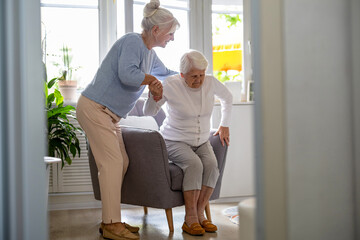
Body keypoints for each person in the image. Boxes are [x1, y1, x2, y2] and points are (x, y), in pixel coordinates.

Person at [76, 1, 179, 239]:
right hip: (95, 108)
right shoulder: (133, 41)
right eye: (170, 33)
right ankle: (112, 224)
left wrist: (190, 76)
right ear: (156, 30)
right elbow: (127, 74)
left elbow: (166, 74)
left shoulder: (151, 54)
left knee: (120, 162)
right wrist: (151, 81)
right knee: (112, 163)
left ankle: (110, 219)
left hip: (110, 115)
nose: (172, 38)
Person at [143, 50, 233, 236]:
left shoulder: (210, 81)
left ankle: (200, 214)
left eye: (201, 74)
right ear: (182, 74)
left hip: (201, 141)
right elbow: (148, 112)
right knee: (194, 164)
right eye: (194, 76)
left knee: (212, 166)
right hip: (174, 140)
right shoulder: (170, 85)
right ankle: (190, 218)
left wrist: (224, 124)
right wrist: (154, 96)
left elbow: (228, 97)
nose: (199, 79)